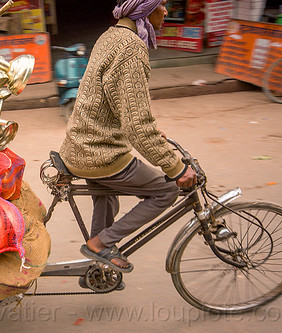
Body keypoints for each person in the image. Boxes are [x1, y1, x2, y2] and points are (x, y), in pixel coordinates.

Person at [59, 0, 197, 273]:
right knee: (167, 190)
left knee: (107, 196)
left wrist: (149, 134)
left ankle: (96, 268)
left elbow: (119, 105)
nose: (166, 11)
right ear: (146, 9)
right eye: (163, 5)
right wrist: (175, 167)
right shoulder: (132, 49)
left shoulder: (110, 35)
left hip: (80, 145)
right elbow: (137, 126)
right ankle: (101, 244)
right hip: (100, 153)